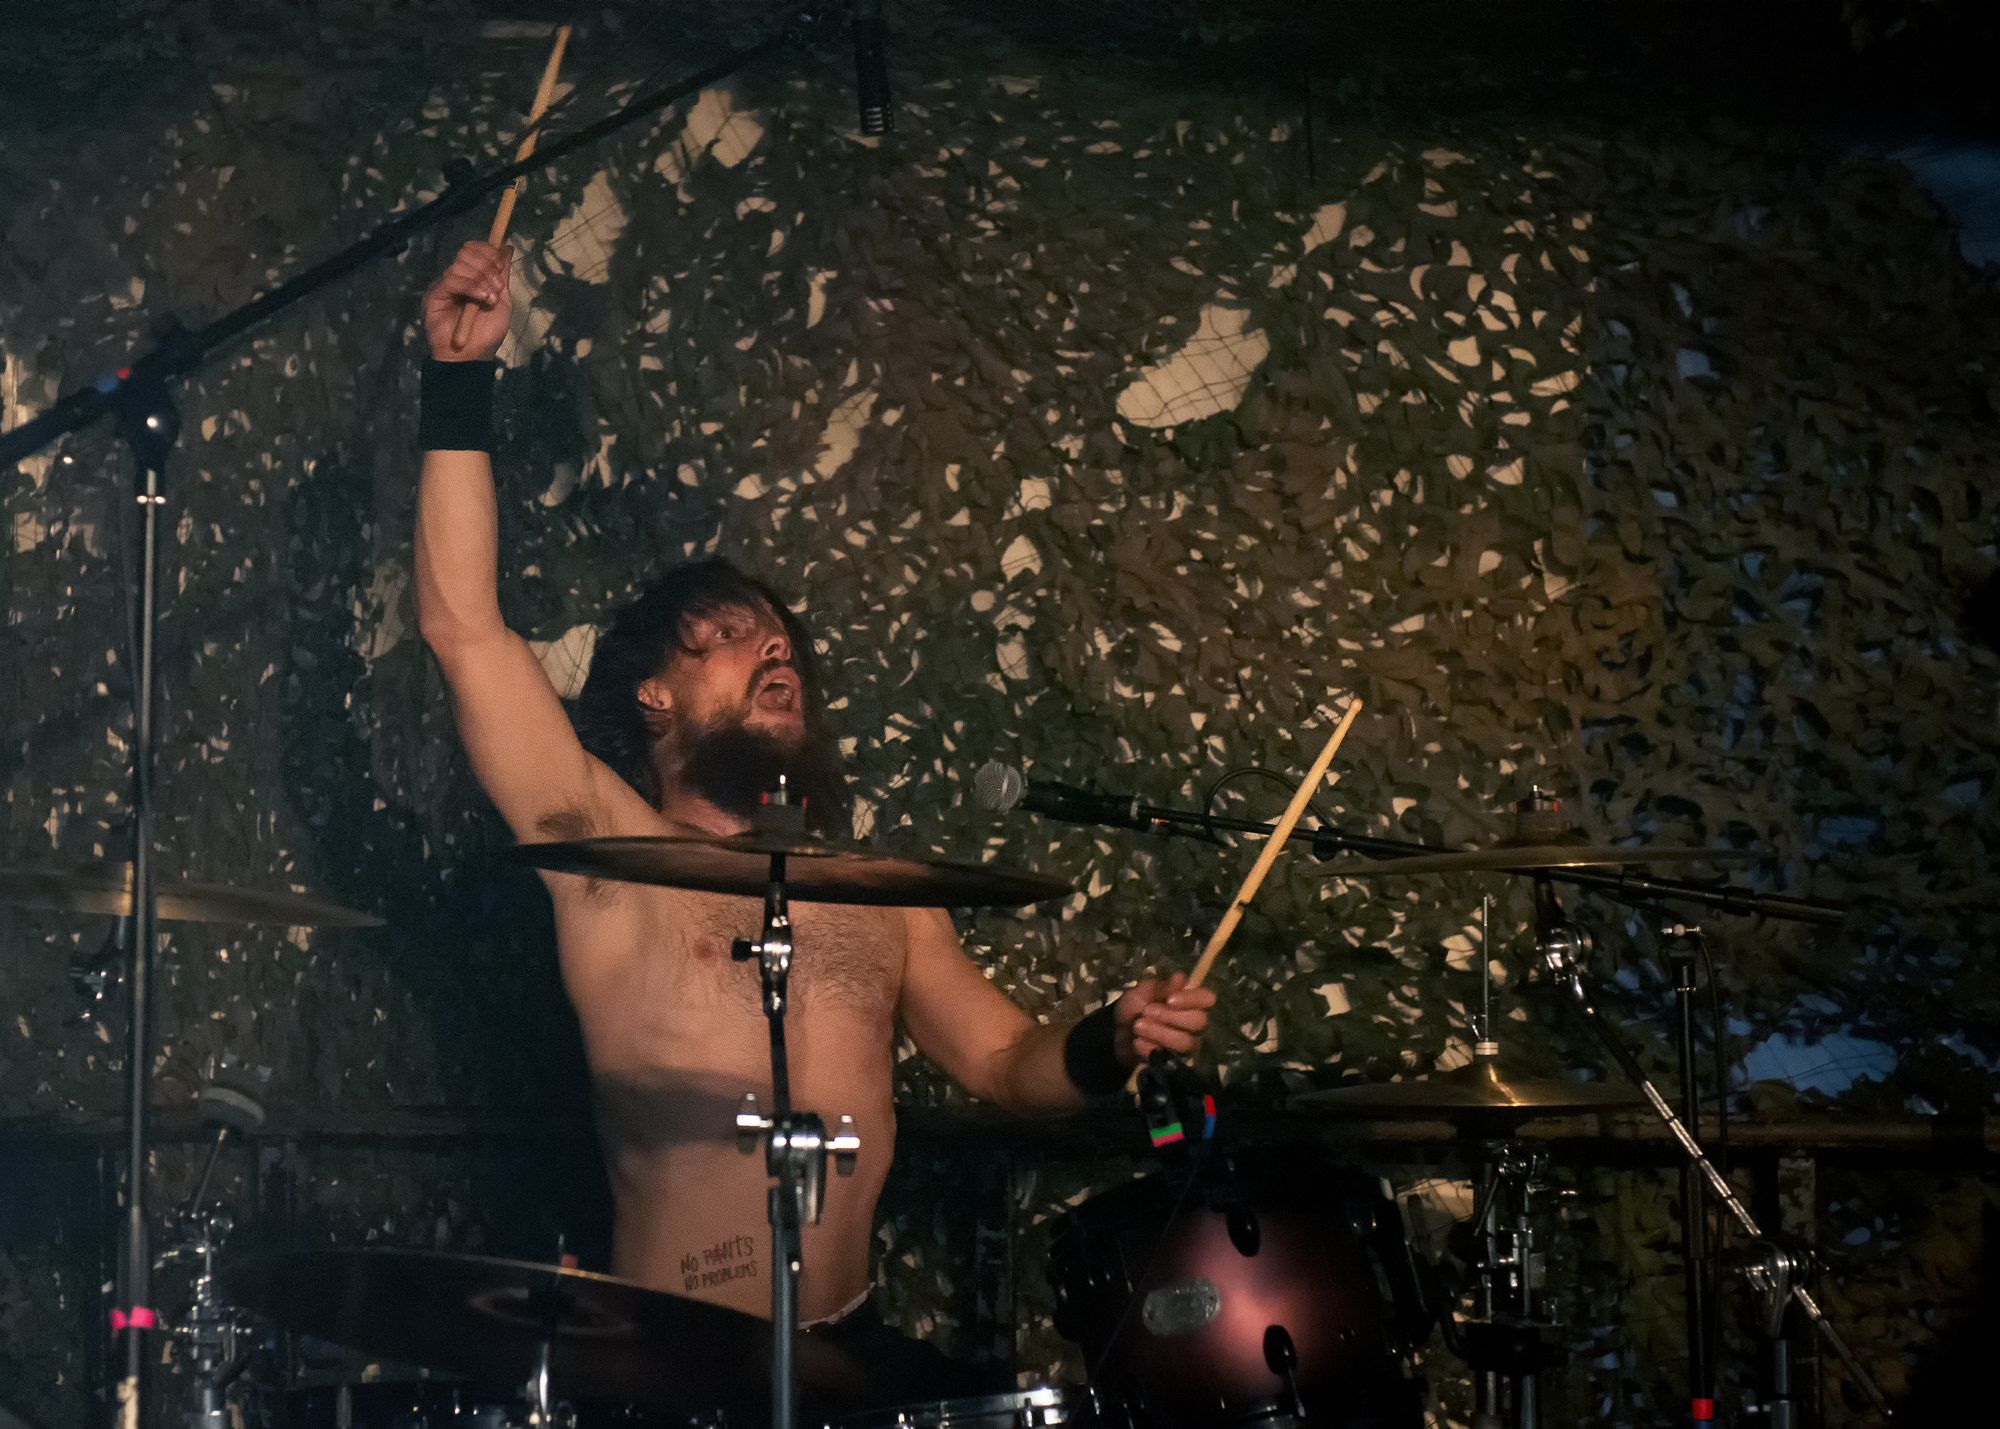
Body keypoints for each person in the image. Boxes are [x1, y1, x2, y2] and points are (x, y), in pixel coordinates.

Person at [412, 240, 1214, 1393]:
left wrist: (1109, 1039)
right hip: (671, 1374)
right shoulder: (608, 858)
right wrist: (456, 380)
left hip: (848, 1356)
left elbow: (1002, 1060)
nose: (775, 647)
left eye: (781, 639)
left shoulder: (877, 893)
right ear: (654, 694)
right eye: (731, 634)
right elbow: (464, 628)